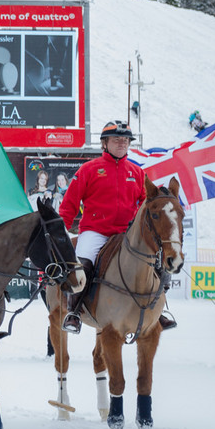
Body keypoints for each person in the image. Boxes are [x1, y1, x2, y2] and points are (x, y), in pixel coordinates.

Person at [58, 120, 176, 333]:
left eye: (125, 140)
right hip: (96, 231)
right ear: (105, 143)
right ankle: (74, 312)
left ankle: (160, 311)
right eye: (116, 140)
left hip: (127, 233)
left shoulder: (137, 173)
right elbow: (69, 204)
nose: (122, 143)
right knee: (84, 263)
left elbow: (145, 205)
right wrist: (61, 231)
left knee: (159, 262)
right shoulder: (88, 169)